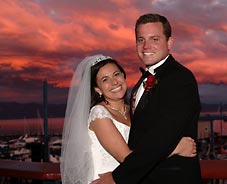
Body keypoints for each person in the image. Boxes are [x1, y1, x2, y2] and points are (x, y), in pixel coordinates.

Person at [93, 13, 202, 184]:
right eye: (141, 39)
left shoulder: (180, 79)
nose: (146, 46)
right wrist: (176, 148)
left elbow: (161, 138)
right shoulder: (141, 82)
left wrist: (116, 178)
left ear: (169, 42)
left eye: (154, 39)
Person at [60, 54, 197, 184]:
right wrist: (175, 149)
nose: (114, 82)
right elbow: (127, 159)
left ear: (124, 76)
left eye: (116, 74)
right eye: (105, 79)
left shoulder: (132, 109)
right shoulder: (99, 114)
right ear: (97, 89)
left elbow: (147, 144)